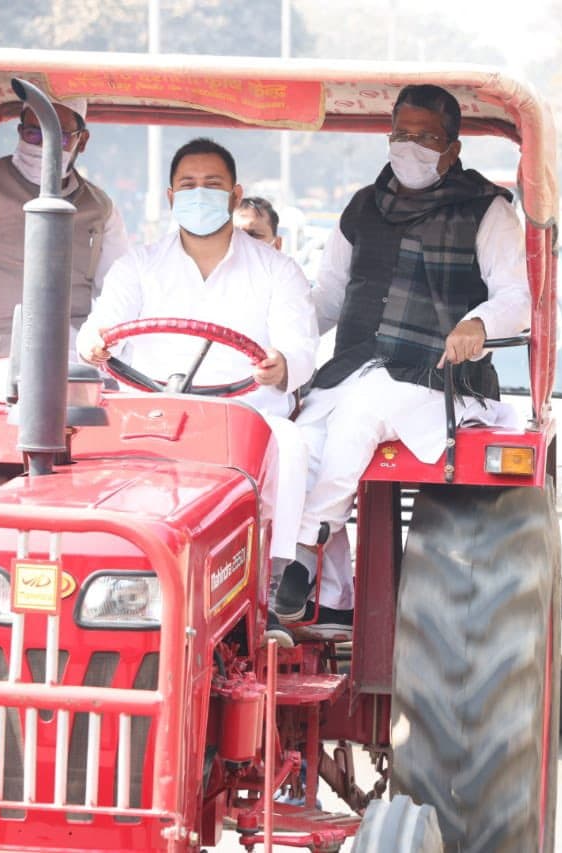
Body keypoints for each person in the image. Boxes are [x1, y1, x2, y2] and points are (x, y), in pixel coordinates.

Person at [278, 84, 529, 628]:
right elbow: (327, 299)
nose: (410, 146)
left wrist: (479, 323)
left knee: (365, 407)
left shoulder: (486, 209)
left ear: (452, 149)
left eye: (426, 138)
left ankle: (301, 552)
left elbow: (515, 296)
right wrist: (279, 344)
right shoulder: (361, 206)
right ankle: (333, 598)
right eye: (402, 134)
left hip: (439, 384)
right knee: (297, 440)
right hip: (353, 368)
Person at [76, 138, 317, 639]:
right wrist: (92, 342)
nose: (199, 194)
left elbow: (299, 348)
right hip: (150, 417)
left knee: (291, 444)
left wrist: (281, 366)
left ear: (235, 194)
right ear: (171, 197)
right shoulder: (138, 266)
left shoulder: (277, 270)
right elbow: (101, 325)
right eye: (188, 185)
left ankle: (268, 585)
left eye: (212, 184)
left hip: (243, 419)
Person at [0, 97, 129, 359]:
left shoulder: (100, 208)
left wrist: (102, 337)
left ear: (82, 141)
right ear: (19, 132)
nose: (43, 146)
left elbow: (120, 287)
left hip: (78, 360)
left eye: (59, 138)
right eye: (33, 134)